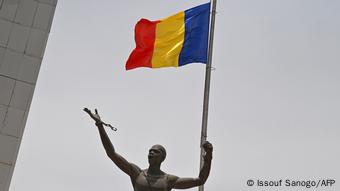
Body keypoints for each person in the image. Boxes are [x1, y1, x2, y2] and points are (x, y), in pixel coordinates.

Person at [84, 108, 213, 191]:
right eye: (150, 151)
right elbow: (111, 153)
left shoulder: (168, 180)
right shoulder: (137, 173)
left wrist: (209, 157)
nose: (151, 152)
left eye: (155, 151)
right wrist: (99, 125)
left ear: (162, 158)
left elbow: (200, 180)